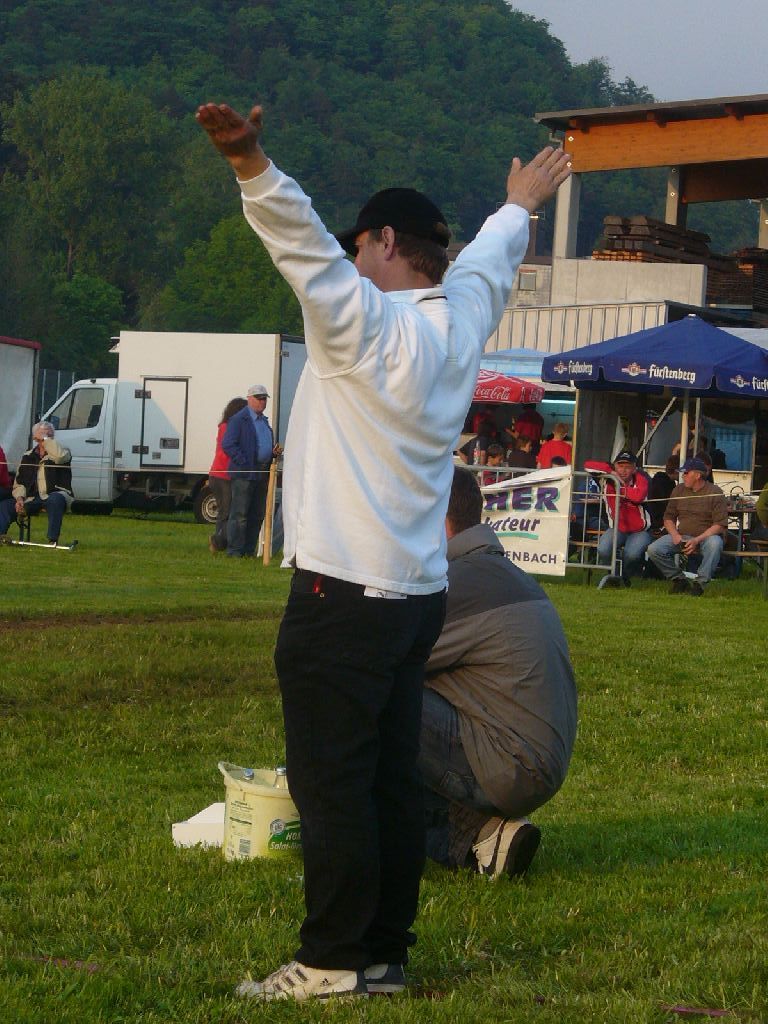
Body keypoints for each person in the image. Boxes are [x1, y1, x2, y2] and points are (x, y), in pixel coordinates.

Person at [196, 99, 570, 1001]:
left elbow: (302, 249)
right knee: (390, 783)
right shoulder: (460, 323)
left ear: (386, 242)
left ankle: (329, 960)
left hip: (340, 594)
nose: (351, 257)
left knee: (333, 783)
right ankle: (383, 956)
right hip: (415, 597)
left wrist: (251, 164)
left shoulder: (362, 326)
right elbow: (487, 263)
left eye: (360, 244)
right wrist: (518, 205)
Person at [420, 468, 576, 877]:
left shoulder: (454, 582)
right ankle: (490, 839)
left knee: (368, 693)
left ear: (438, 519)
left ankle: (341, 824)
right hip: (529, 760)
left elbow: (382, 658)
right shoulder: (499, 573)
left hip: (509, 765)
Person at [646, 456, 728, 596]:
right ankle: (679, 579)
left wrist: (697, 540)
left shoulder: (715, 492)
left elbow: (720, 525)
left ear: (697, 475)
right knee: (654, 549)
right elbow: (668, 518)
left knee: (715, 544)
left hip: (706, 537)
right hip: (682, 536)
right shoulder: (678, 490)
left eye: (686, 473)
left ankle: (699, 584)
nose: (682, 476)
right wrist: (675, 535)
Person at [222, 385, 281, 558]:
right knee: (240, 514)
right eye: (258, 398)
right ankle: (235, 551)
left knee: (257, 514)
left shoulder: (263, 421)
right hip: (244, 474)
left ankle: (248, 550)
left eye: (264, 398)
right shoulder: (238, 420)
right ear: (249, 399)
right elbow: (228, 444)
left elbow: (261, 445)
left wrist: (272, 453)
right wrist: (244, 462)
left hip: (261, 473)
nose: (262, 401)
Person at [0, 421, 72, 544]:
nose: (45, 439)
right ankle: (1, 536)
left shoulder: (63, 452)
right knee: (5, 506)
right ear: (35, 438)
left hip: (54, 494)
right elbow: (20, 482)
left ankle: (52, 539)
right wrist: (19, 499)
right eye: (42, 436)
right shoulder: (27, 456)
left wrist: (46, 439)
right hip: (31, 498)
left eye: (49, 436)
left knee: (55, 500)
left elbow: (59, 457)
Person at [588, 450, 651, 585]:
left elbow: (638, 496)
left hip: (640, 531)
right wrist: (610, 472)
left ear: (634, 468)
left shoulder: (641, 479)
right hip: (616, 528)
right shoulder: (607, 478)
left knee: (632, 554)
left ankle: (626, 577)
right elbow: (588, 465)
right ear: (615, 466)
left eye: (628, 466)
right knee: (603, 549)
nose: (623, 470)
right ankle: (614, 575)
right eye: (620, 466)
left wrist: (618, 488)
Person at [208, 397, 248, 552]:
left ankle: (220, 541)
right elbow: (228, 450)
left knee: (225, 512)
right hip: (222, 475)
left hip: (220, 474)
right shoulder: (227, 427)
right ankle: (218, 541)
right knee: (227, 511)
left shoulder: (225, 426)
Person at [647, 455, 678, 532]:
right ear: (676, 471)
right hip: (659, 522)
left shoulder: (667, 481)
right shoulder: (663, 482)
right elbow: (668, 504)